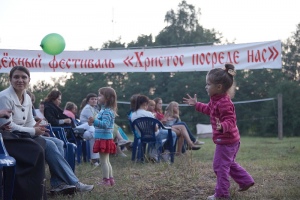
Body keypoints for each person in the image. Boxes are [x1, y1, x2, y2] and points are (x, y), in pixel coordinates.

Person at [0, 66, 94, 196]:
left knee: (59, 142)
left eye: (23, 77)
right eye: (16, 77)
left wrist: (37, 127)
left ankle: (57, 184)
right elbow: (8, 125)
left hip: (24, 135)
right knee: (49, 144)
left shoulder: (26, 97)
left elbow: (28, 121)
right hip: (10, 138)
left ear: (29, 80)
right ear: (10, 79)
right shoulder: (5, 97)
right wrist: (34, 131)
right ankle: (75, 182)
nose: (20, 80)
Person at [183, 64, 255, 200]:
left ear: (219, 87)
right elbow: (209, 110)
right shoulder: (216, 100)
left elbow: (231, 120)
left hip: (227, 140)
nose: (206, 87)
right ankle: (245, 180)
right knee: (227, 163)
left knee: (220, 167)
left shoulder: (224, 103)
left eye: (208, 84)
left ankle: (222, 194)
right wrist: (196, 104)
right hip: (230, 140)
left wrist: (222, 126)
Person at [130, 95, 178, 160]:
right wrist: (158, 126)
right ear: (145, 104)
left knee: (159, 137)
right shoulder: (149, 114)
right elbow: (155, 129)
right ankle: (166, 153)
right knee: (173, 134)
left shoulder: (133, 115)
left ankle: (153, 153)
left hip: (141, 136)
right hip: (154, 135)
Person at [88, 87, 118, 186]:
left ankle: (106, 180)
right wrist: (93, 122)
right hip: (104, 137)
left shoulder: (107, 111)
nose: (98, 97)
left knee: (104, 161)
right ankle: (111, 179)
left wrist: (94, 121)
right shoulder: (104, 110)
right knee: (106, 161)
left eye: (100, 95)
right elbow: (100, 123)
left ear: (107, 98)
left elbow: (105, 124)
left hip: (104, 138)